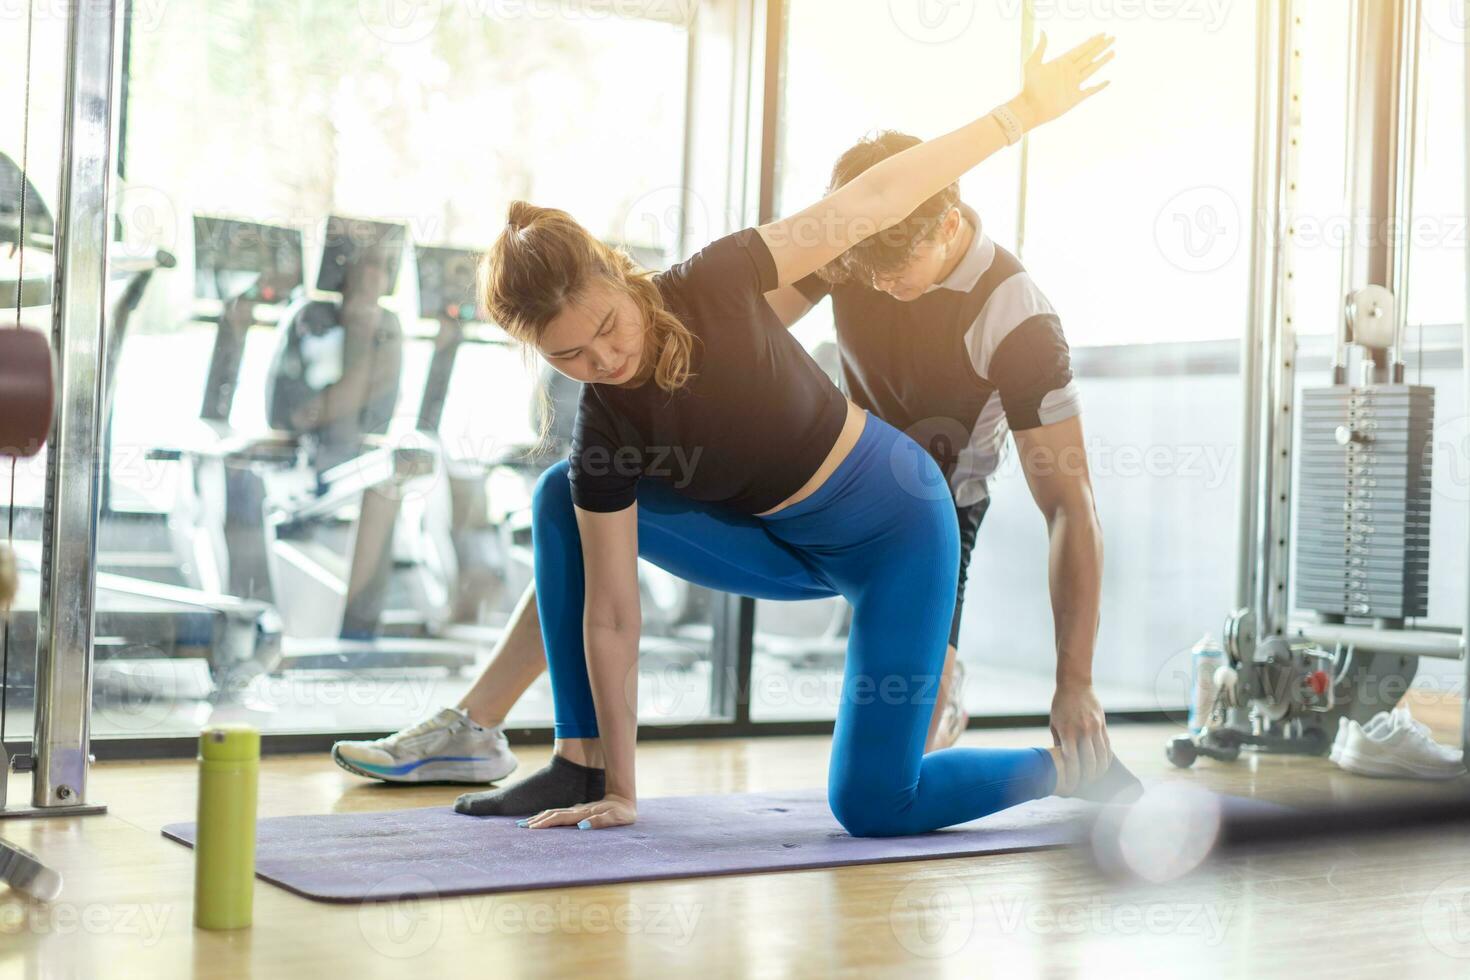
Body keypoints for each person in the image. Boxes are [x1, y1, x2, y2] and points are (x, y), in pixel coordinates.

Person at [343, 34, 1138, 836]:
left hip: (903, 534)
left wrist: (1020, 114)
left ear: (622, 276)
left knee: (873, 804)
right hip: (779, 540)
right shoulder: (606, 425)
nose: (606, 360)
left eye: (610, 329)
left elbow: (876, 198)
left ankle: (1075, 770)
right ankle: (575, 761)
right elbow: (613, 616)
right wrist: (622, 789)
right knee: (563, 497)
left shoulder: (723, 279)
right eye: (570, 356)